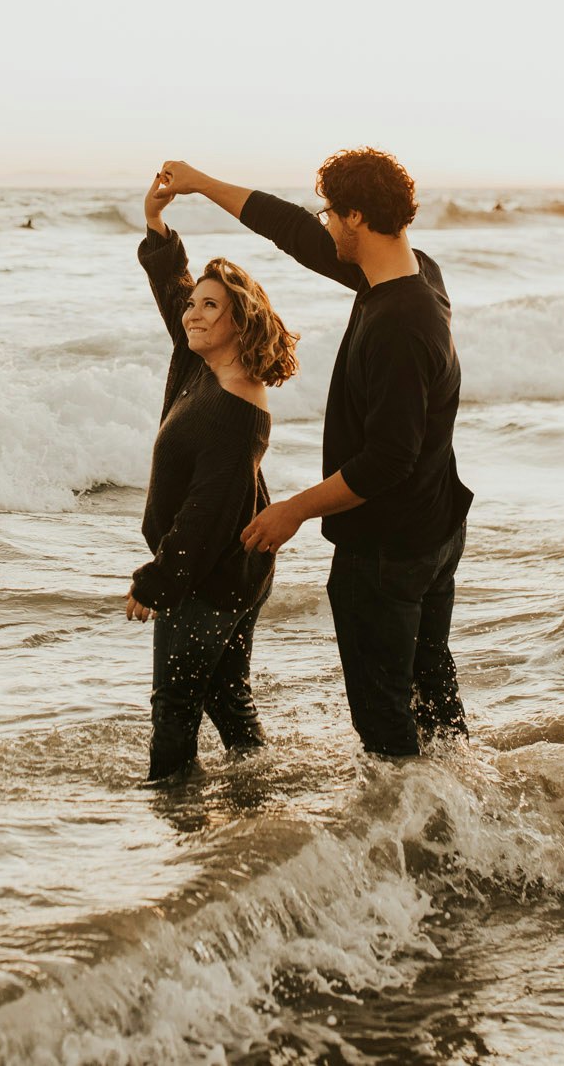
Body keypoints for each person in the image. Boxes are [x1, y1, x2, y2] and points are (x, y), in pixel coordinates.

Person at [158, 149, 471, 760]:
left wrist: (292, 511)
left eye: (330, 213)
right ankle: (462, 810)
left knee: (385, 723)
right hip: (432, 529)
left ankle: (414, 839)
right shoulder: (415, 274)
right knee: (432, 692)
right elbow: (293, 233)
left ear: (356, 217)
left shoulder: (400, 324)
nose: (323, 223)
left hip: (387, 551)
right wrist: (200, 183)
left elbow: (388, 460)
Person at [126, 170, 300, 783]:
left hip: (210, 576)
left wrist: (156, 581)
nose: (192, 314)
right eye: (193, 304)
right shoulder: (203, 364)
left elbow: (205, 515)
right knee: (227, 696)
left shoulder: (236, 415)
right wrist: (156, 226)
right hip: (231, 568)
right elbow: (173, 289)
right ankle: (259, 794)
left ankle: (173, 814)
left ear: (239, 323)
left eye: (209, 307)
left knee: (175, 706)